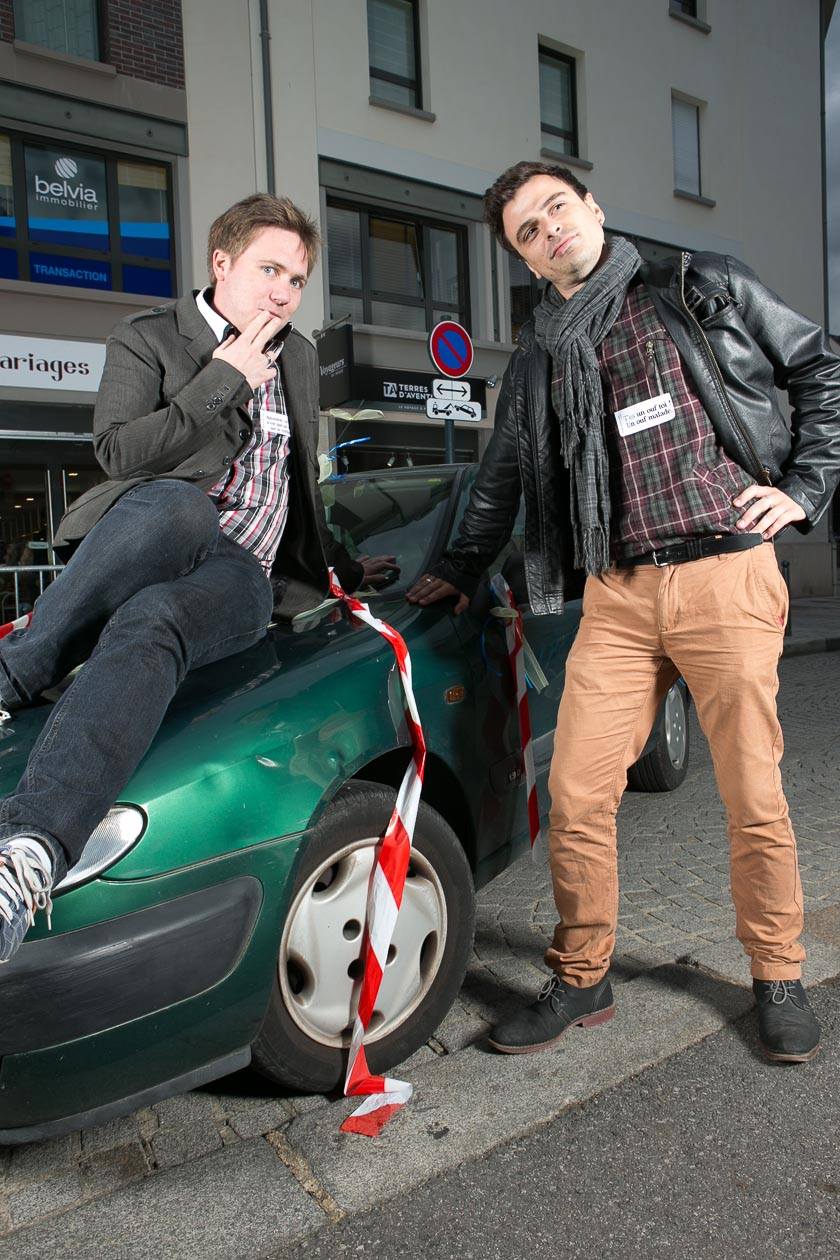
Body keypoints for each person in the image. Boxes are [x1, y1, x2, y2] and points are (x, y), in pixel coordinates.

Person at [408, 160, 840, 1064]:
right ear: (526, 260)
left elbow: (819, 366)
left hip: (725, 571)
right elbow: (501, 476)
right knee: (575, 792)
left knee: (753, 794)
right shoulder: (539, 355)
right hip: (618, 592)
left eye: (557, 208)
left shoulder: (697, 285)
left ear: (592, 207)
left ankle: (777, 974)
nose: (550, 230)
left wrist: (803, 489)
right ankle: (583, 975)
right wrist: (456, 567)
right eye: (529, 231)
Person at [0, 193, 395, 962]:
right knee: (180, 510)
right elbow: (118, 452)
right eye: (269, 271)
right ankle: (18, 703)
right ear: (222, 264)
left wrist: (342, 567)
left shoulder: (299, 358)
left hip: (240, 575)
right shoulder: (148, 336)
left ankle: (27, 856)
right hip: (154, 534)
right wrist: (224, 379)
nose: (284, 293)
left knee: (157, 619)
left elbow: (297, 486)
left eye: (297, 280)